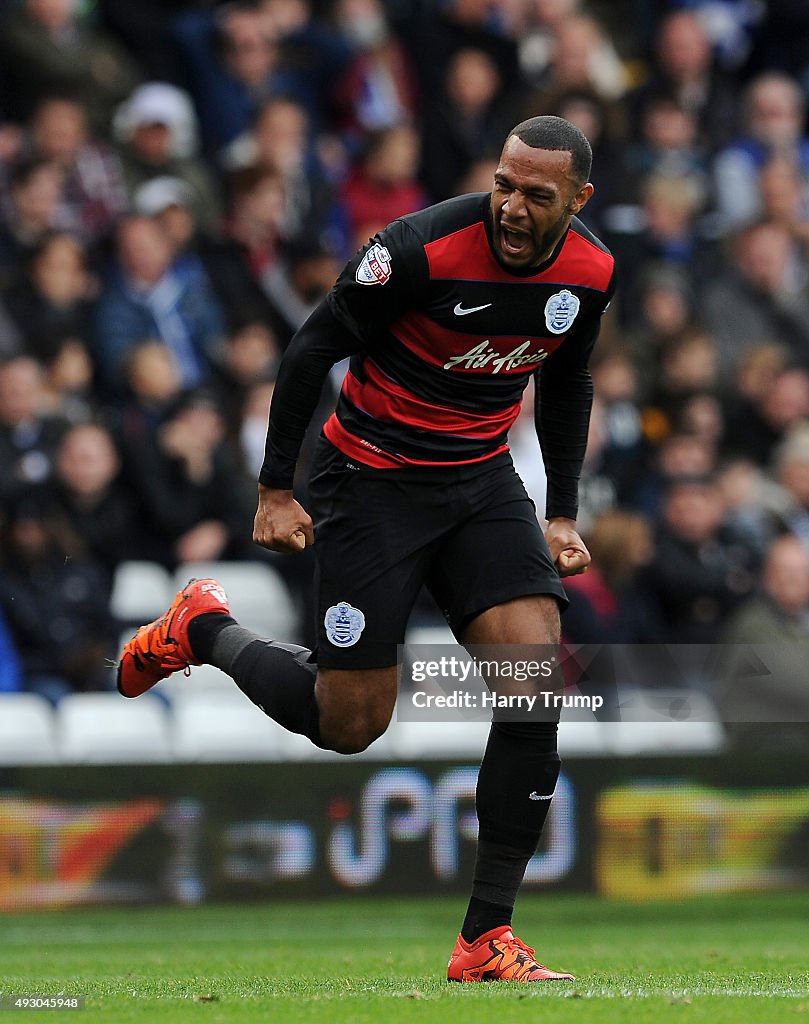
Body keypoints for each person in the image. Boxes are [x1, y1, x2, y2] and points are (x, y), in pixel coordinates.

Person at [117, 116, 615, 983]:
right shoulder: (417, 250)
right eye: (503, 184)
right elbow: (312, 348)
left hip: (478, 481)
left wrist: (561, 511)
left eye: (537, 195)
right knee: (351, 725)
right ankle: (204, 631)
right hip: (370, 483)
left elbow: (567, 376)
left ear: (578, 200)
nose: (511, 206)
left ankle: (484, 939)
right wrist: (276, 488)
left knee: (536, 683)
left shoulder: (591, 272)